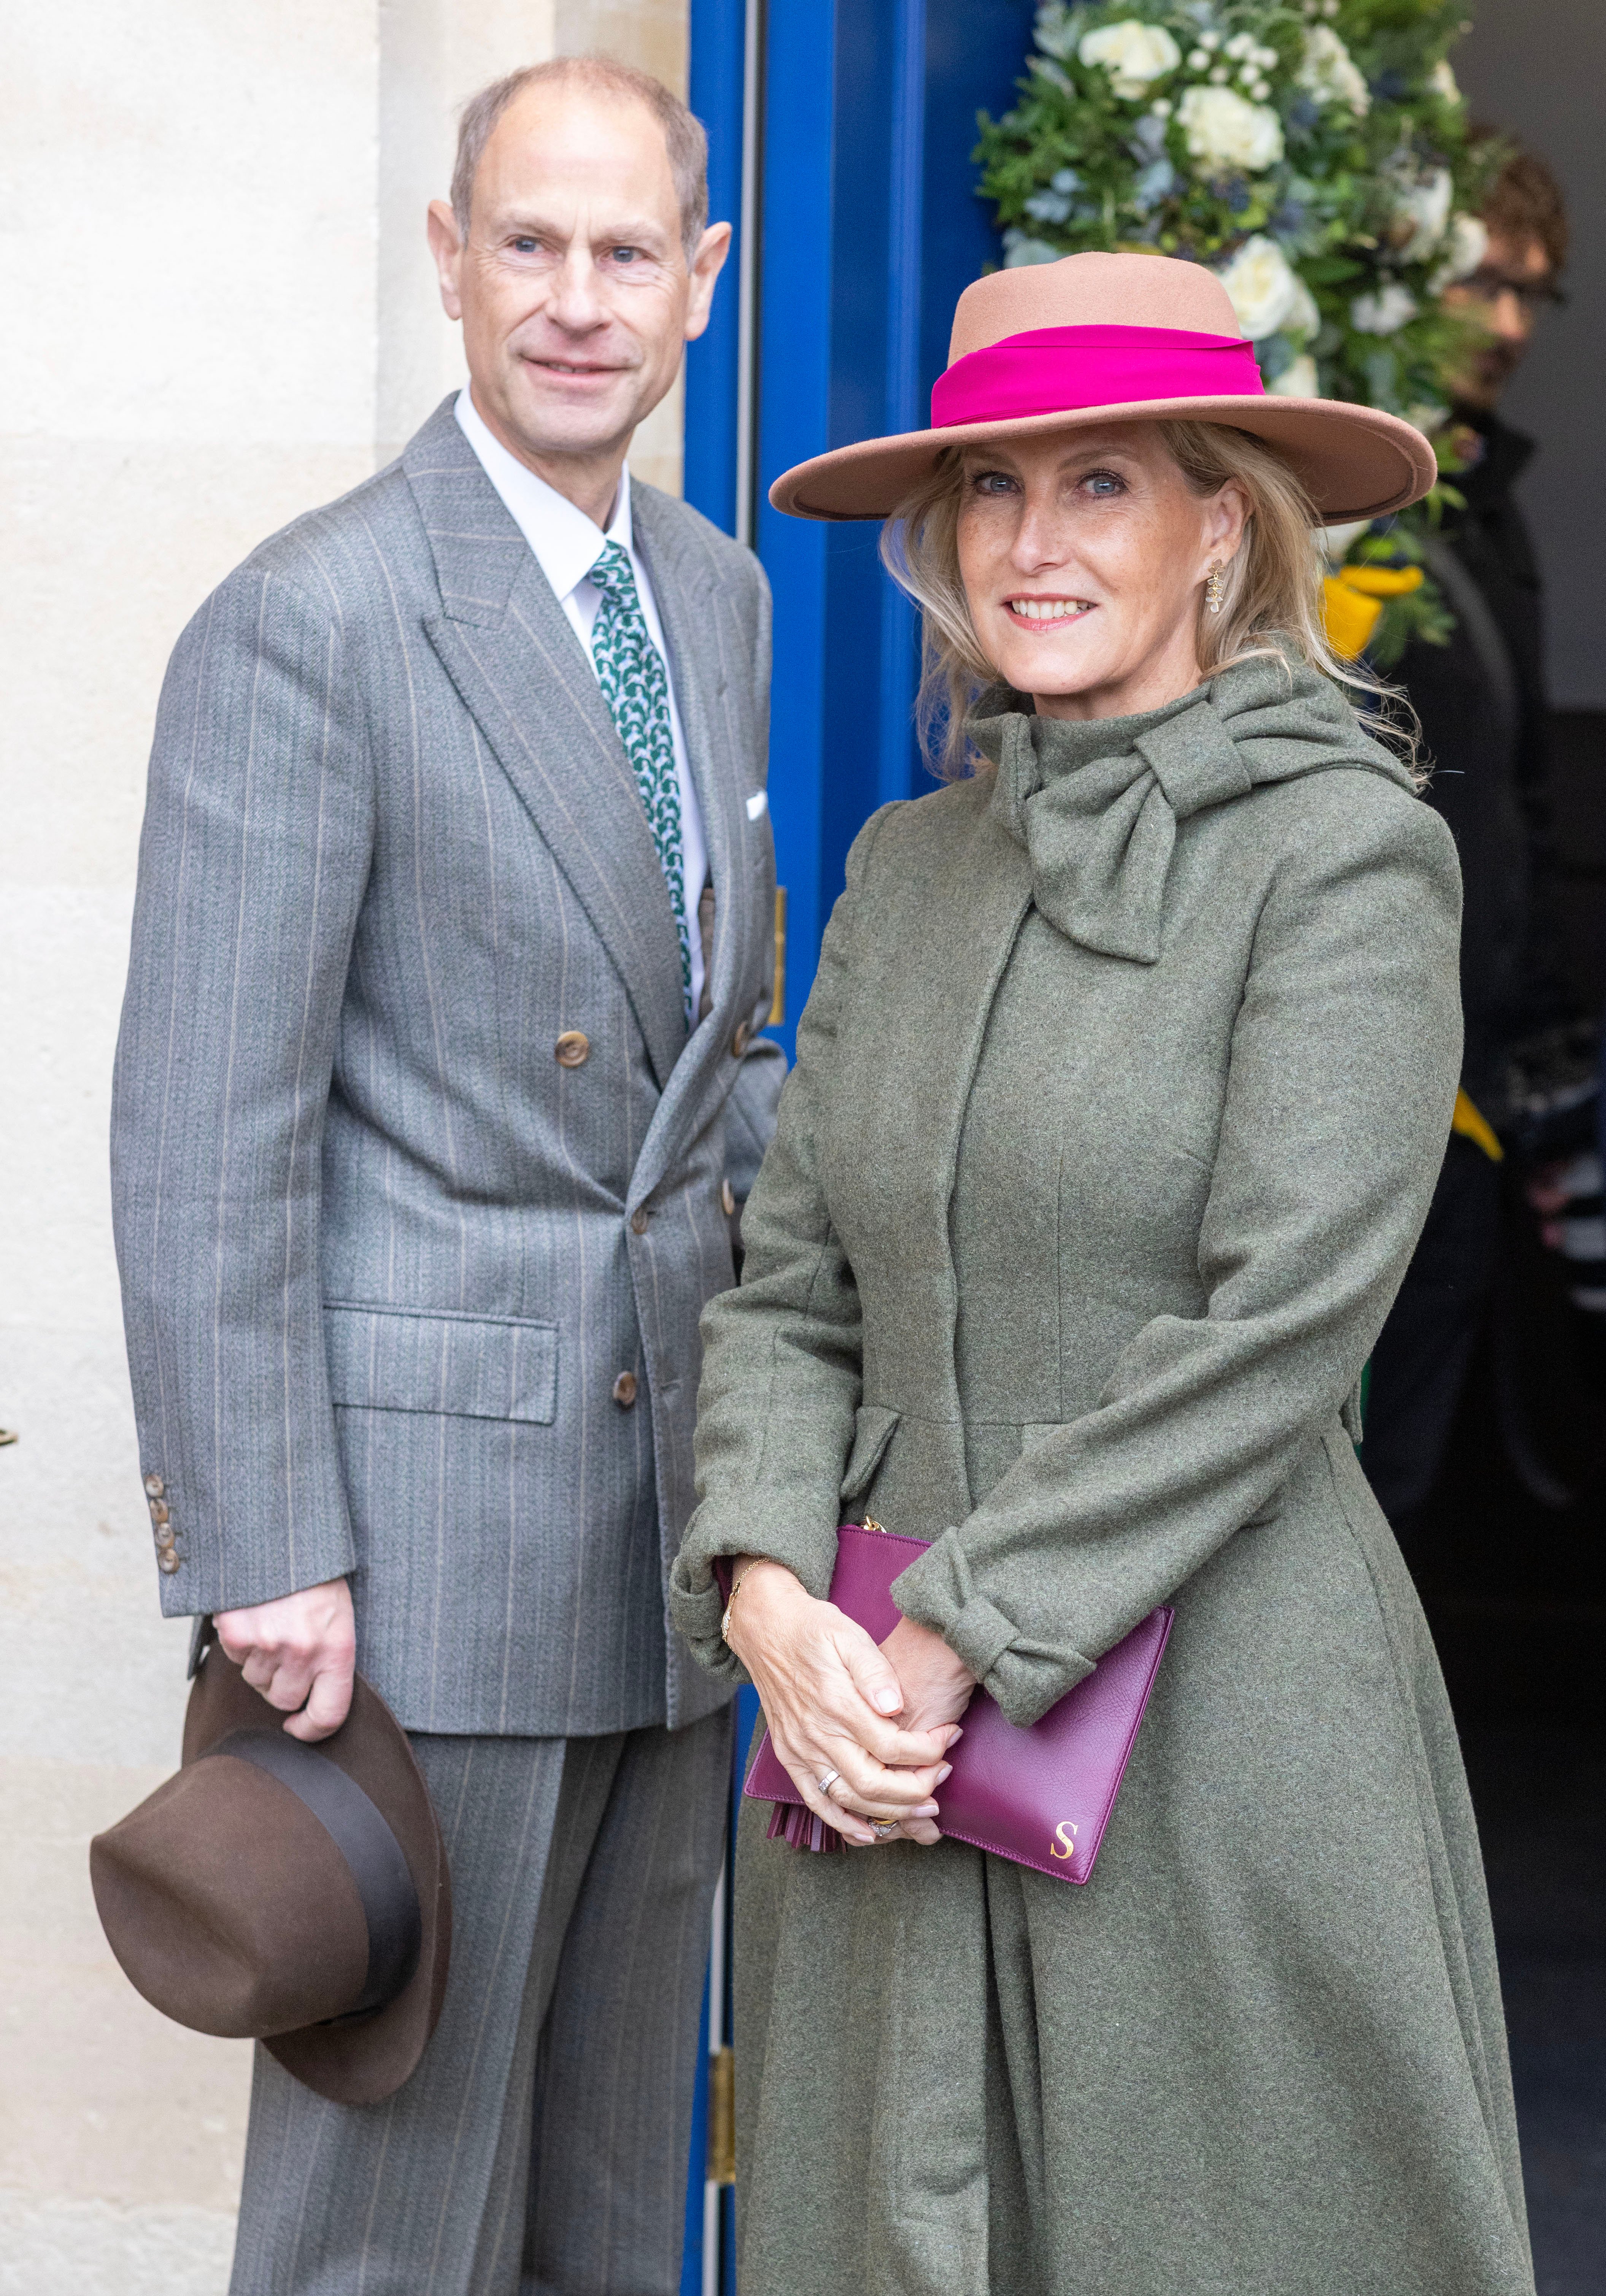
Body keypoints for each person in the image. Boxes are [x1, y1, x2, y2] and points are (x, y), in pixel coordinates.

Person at [671, 253, 1535, 2296]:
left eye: (1104, 486)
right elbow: (792, 1283)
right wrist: (772, 1593)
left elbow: (1281, 1325)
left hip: (1217, 1729)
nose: (1033, 543)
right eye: (994, 493)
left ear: (1223, 526)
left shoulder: (1344, 853)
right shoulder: (910, 865)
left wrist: (958, 1633)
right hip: (870, 1748)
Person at [110, 56, 781, 2296]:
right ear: (447, 261)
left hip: (665, 1532)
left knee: (609, 2201)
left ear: (703, 282)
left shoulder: (714, 593)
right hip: (406, 1570)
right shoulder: (310, 616)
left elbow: (713, 1079)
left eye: (624, 254)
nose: (576, 300)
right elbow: (210, 1132)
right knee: (388, 2227)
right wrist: (270, 1546)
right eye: (529, 244)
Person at [1361, 134, 1580, 1537]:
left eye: (1533, 296)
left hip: (1465, 1119)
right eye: (1481, 281)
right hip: (1358, 1114)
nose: (1508, 325)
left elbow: (1518, 809)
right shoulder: (1339, 525)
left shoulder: (1488, 507)